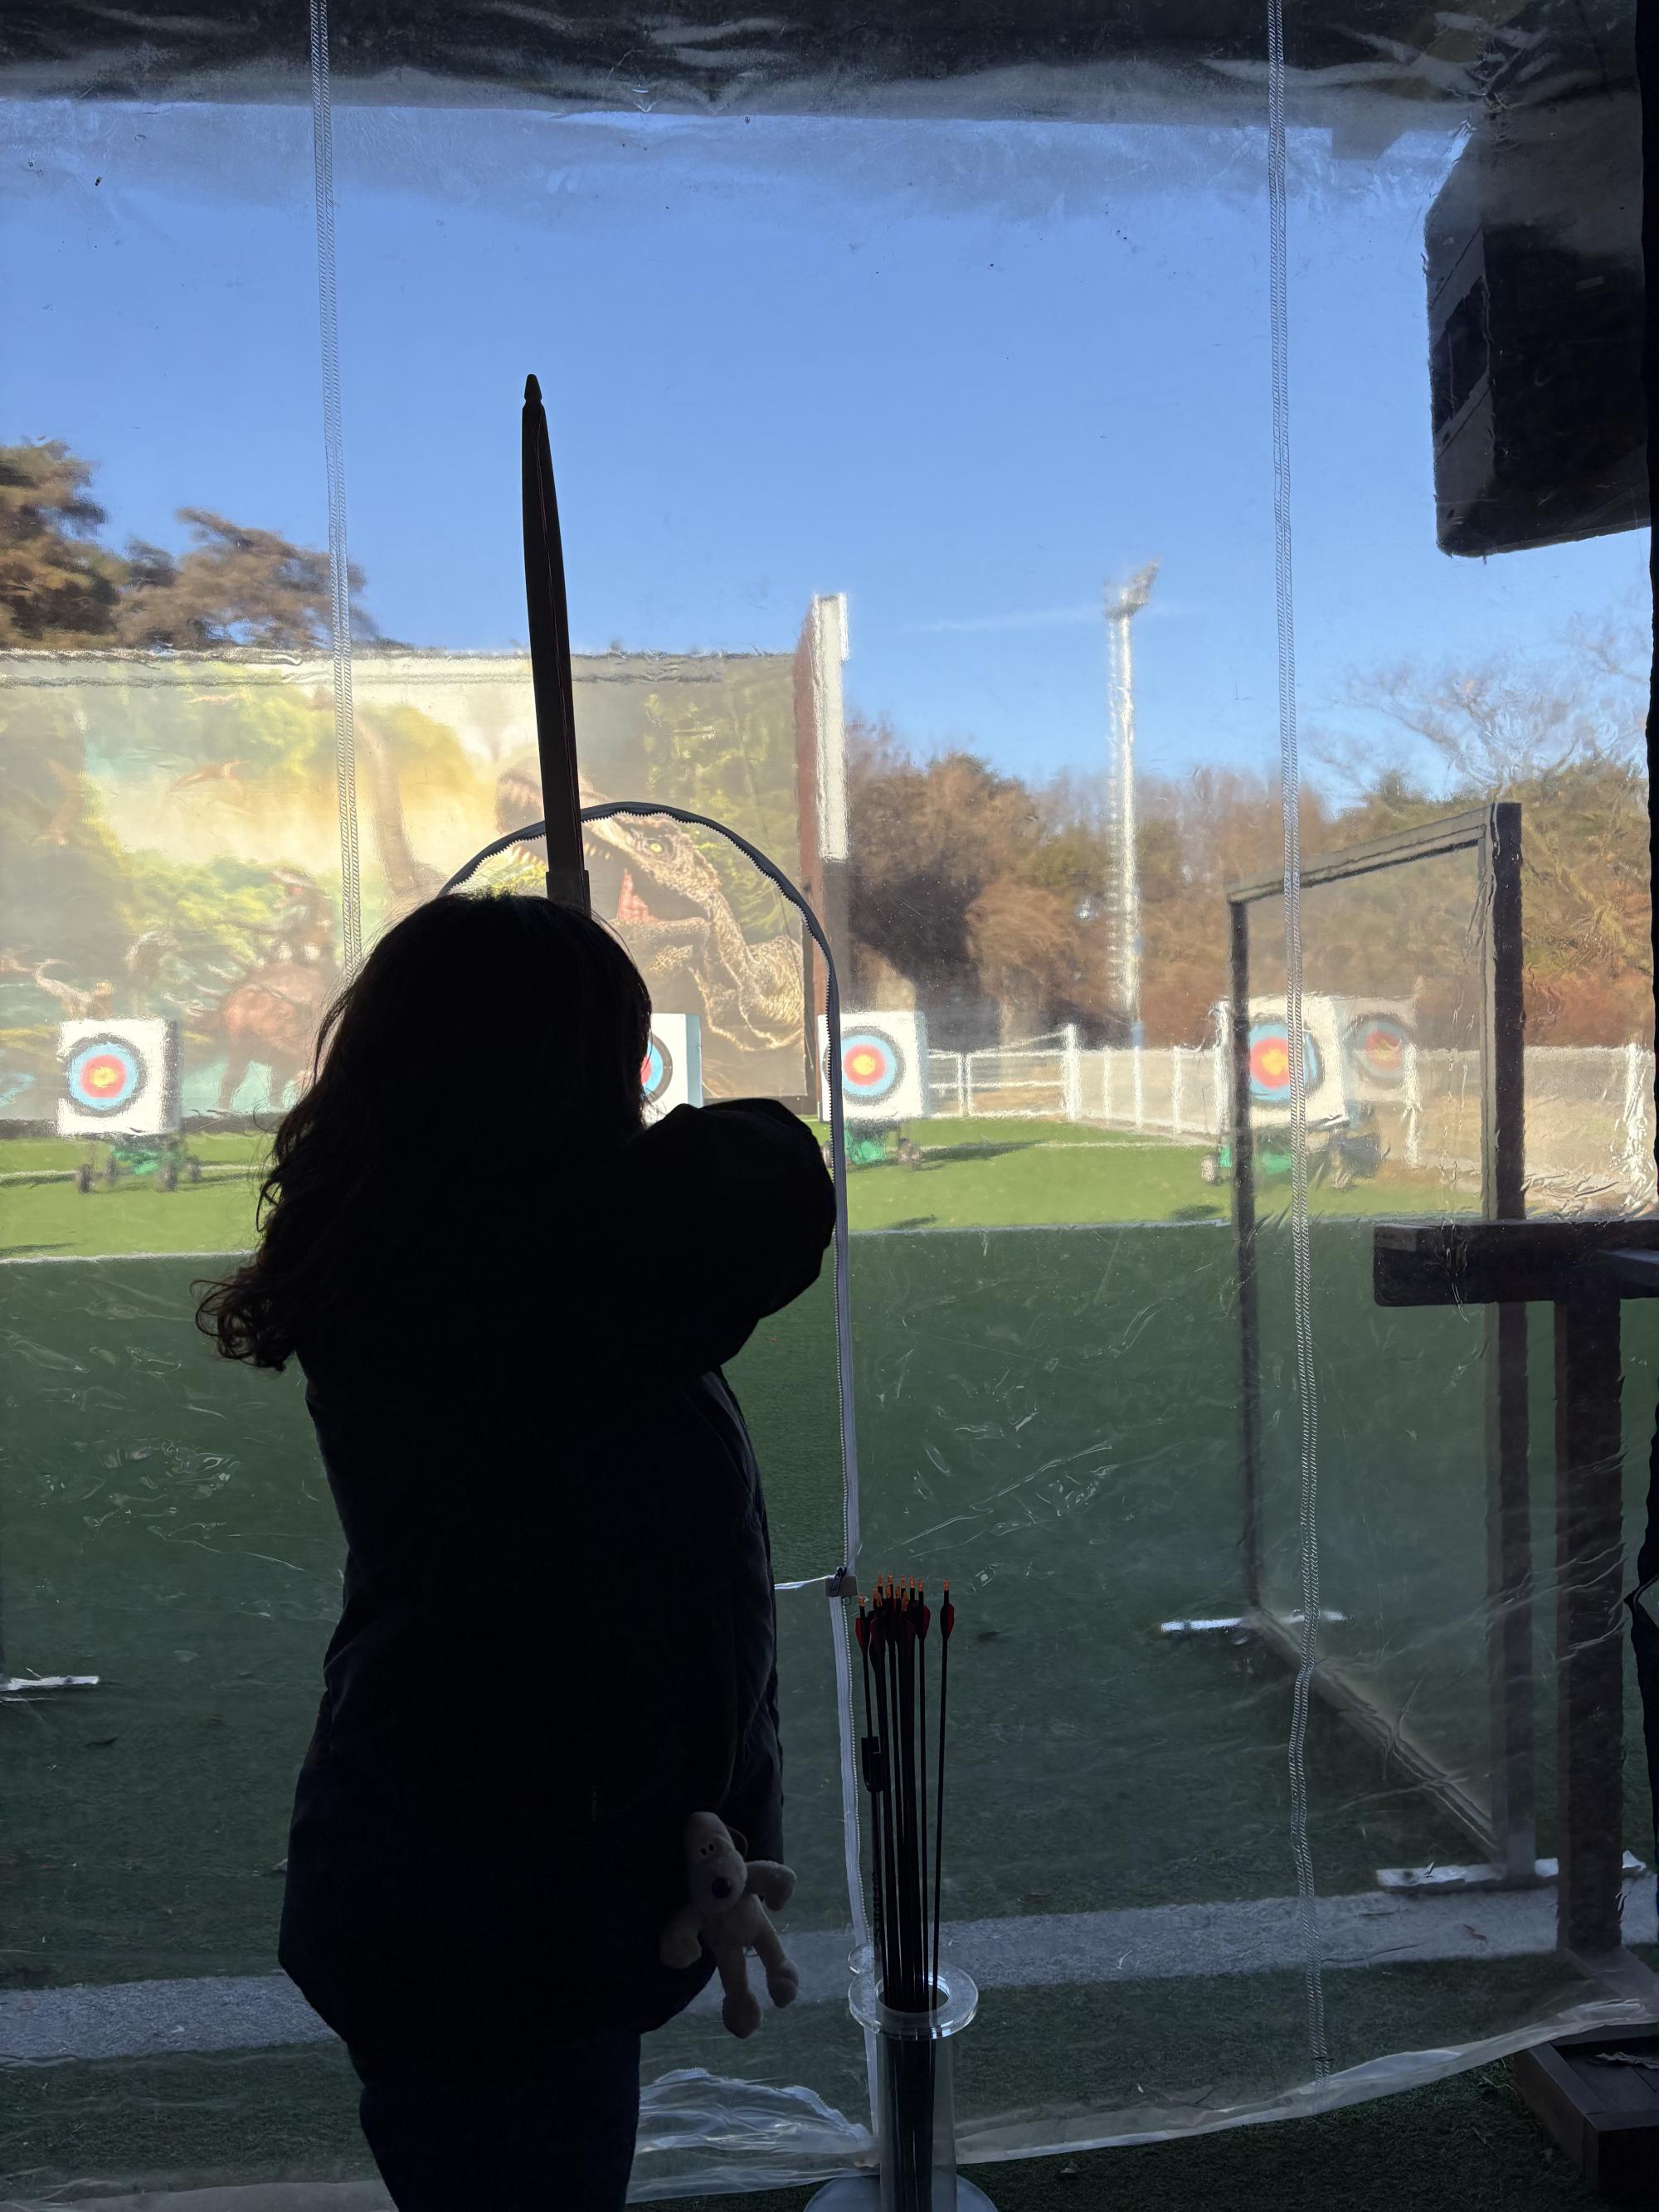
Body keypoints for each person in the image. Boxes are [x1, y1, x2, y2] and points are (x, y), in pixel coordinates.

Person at [197, 892, 834, 2210]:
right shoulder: (524, 1271)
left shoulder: (431, 1238)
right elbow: (773, 1171)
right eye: (619, 1055)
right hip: (496, 1905)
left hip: (467, 1872)